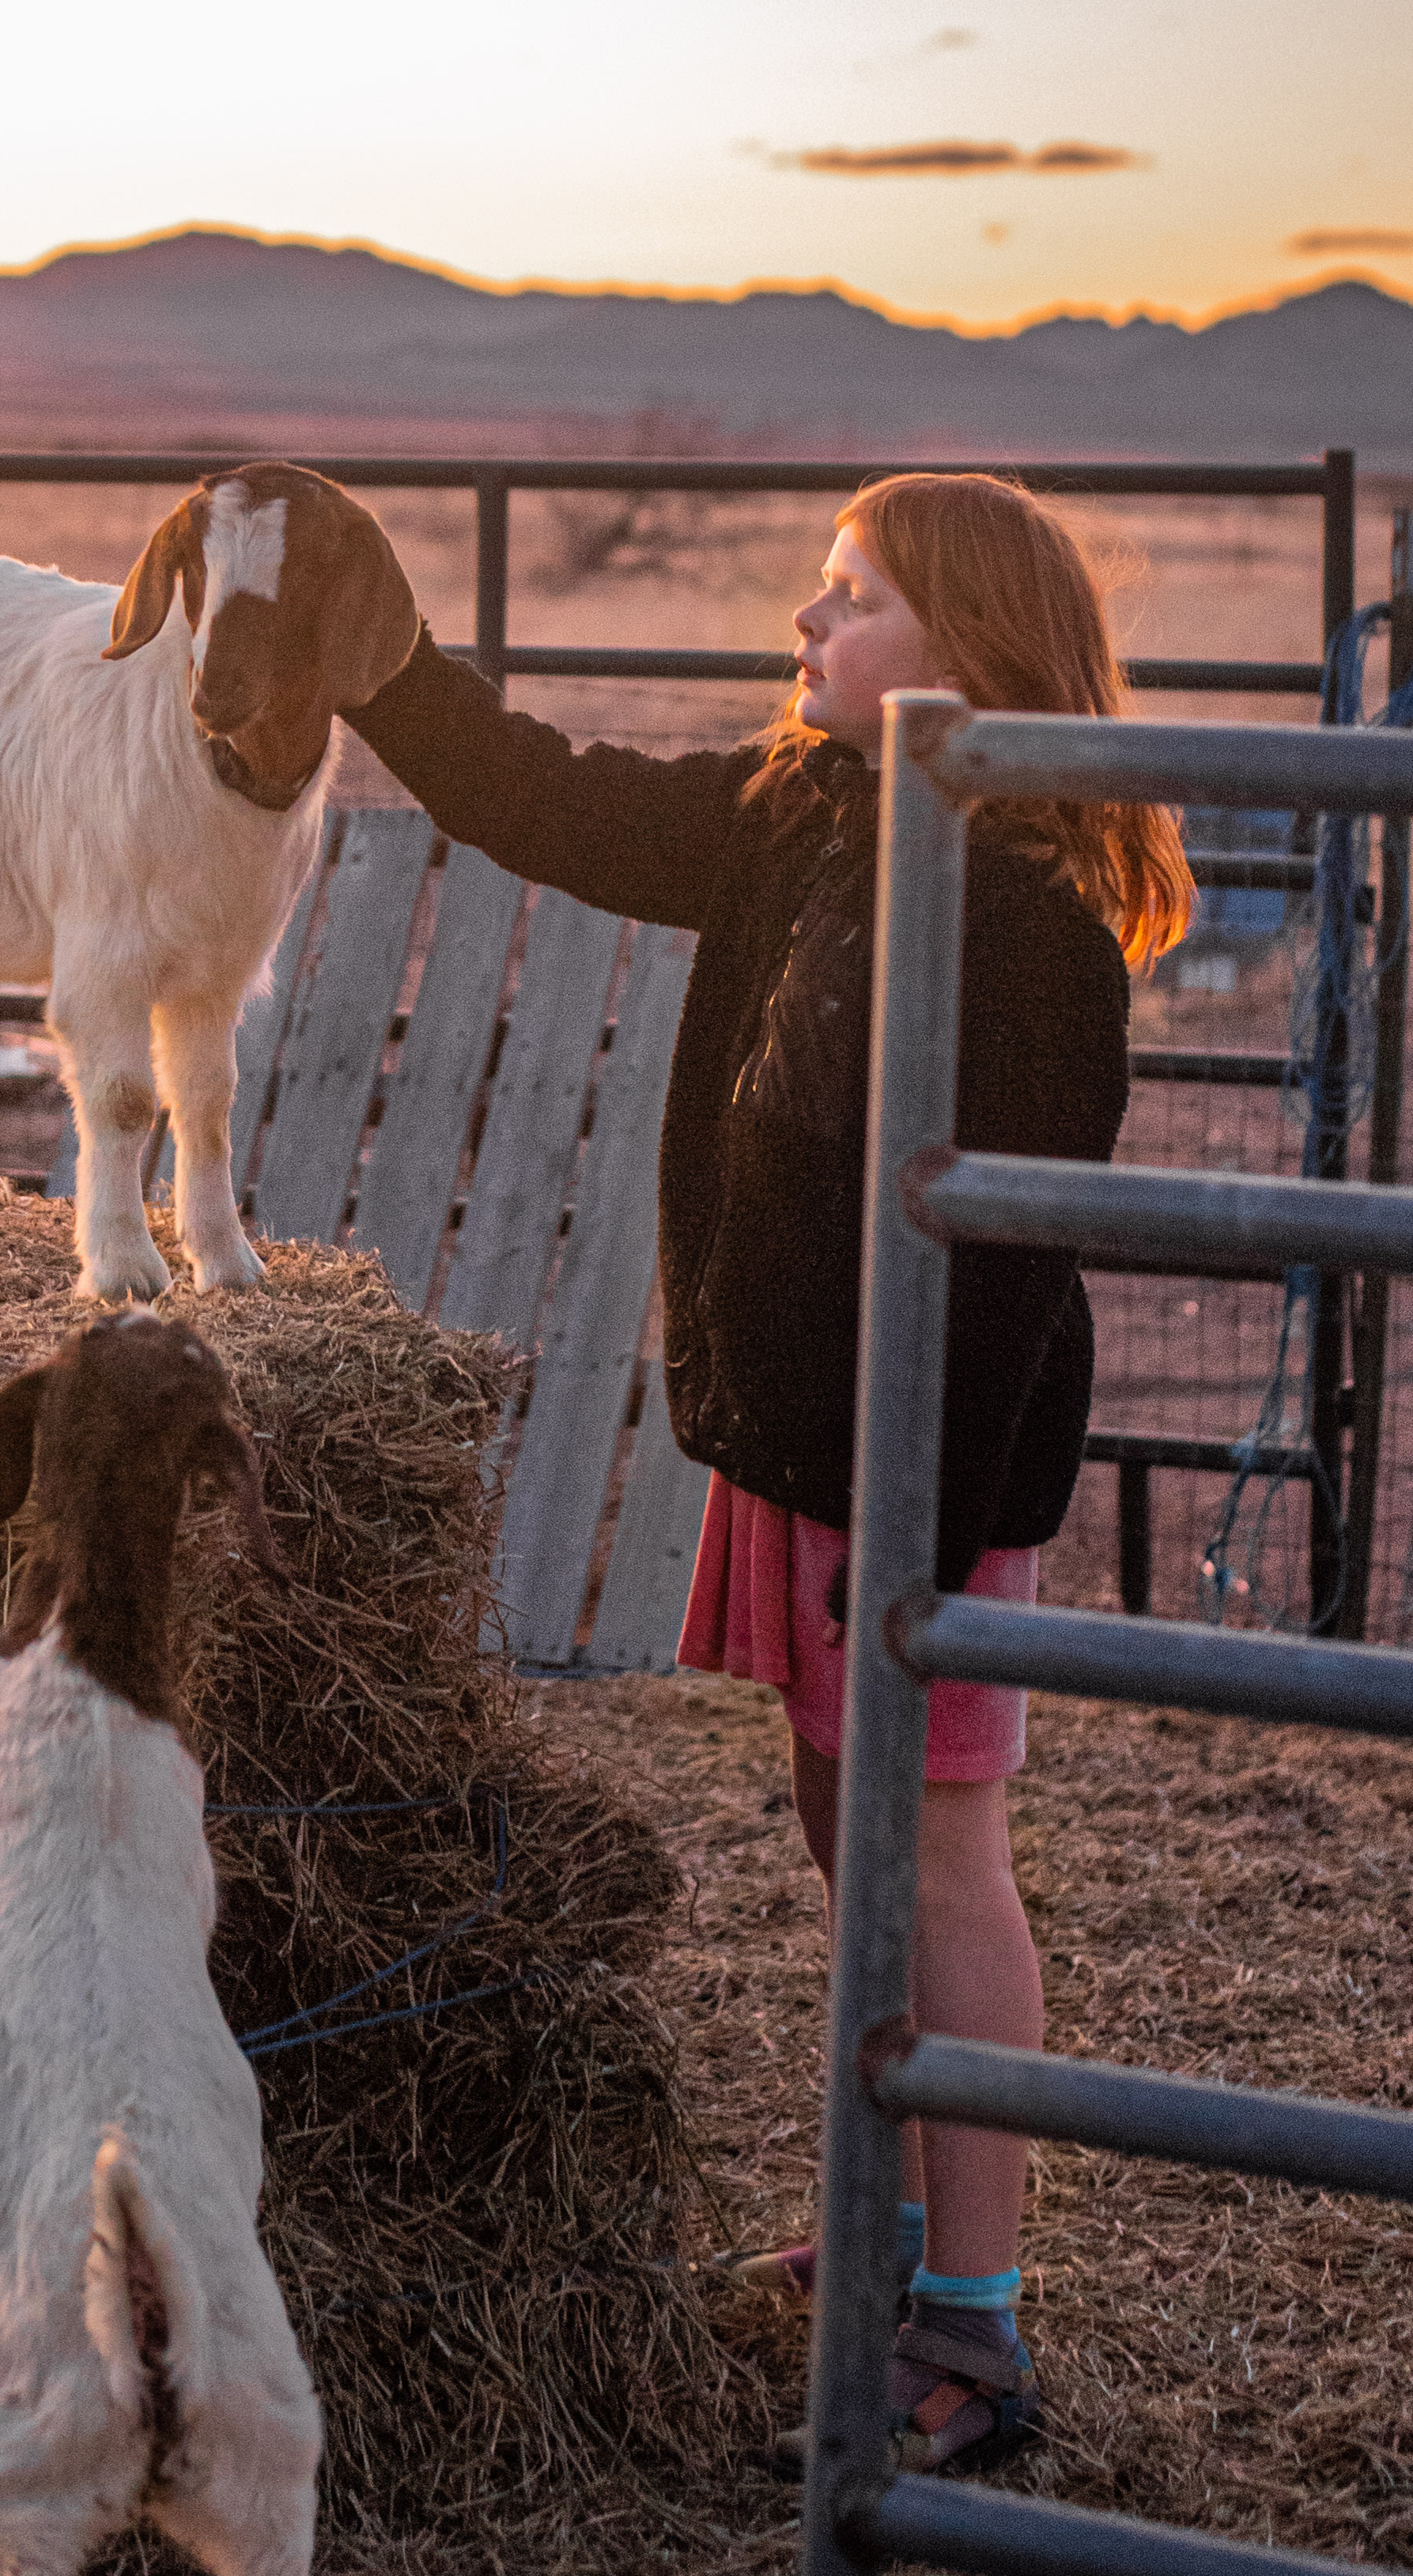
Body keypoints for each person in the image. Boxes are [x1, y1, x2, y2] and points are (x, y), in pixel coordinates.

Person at [338, 470, 1193, 2472]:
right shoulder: (801, 813)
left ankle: (975, 2334)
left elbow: (1004, 1268)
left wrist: (908, 1536)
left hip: (926, 1477)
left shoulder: (1036, 931)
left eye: (850, 600)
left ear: (974, 656)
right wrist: (386, 668)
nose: (807, 632)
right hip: (811, 1437)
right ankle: (887, 2231)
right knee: (847, 1839)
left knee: (938, 1856)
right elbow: (559, 798)